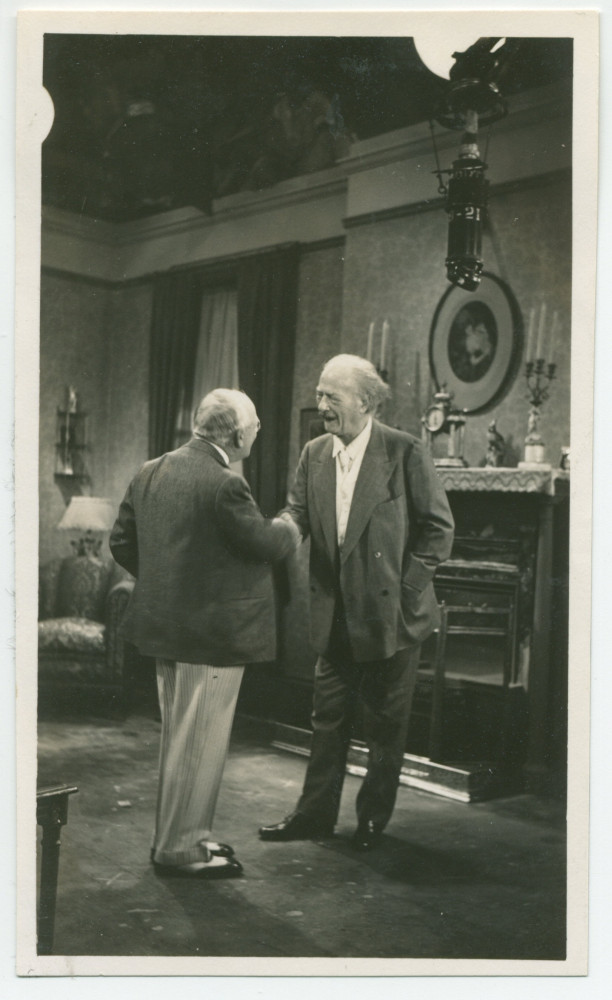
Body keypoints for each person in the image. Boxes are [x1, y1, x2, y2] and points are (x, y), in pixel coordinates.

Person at [259, 355, 454, 851]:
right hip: (334, 614)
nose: (321, 405)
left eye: (332, 397)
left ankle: (372, 821)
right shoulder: (314, 454)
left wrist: (407, 592)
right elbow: (297, 511)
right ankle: (314, 815)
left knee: (386, 728)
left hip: (392, 618)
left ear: (366, 402)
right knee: (327, 721)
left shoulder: (404, 452)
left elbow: (438, 529)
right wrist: (281, 532)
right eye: (320, 394)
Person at [110, 389, 299, 879]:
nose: (258, 432)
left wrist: (165, 584)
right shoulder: (224, 483)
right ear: (235, 433)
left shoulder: (150, 470)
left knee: (180, 740)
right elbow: (264, 542)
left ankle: (180, 837)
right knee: (200, 743)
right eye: (254, 425)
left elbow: (121, 543)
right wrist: (292, 525)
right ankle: (181, 850)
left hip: (165, 630)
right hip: (212, 637)